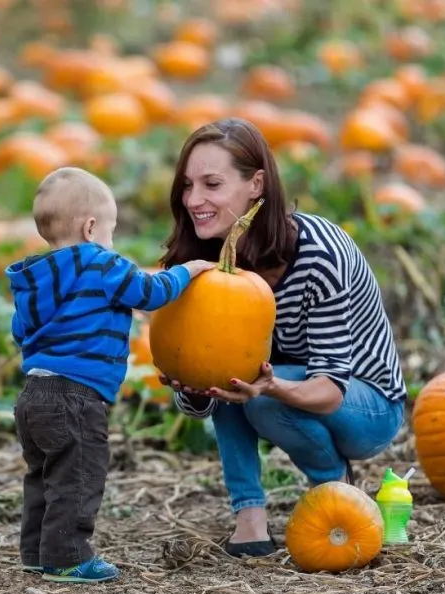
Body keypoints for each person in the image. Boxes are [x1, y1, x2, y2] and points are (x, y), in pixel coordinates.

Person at [157, 118, 407, 558]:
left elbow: (330, 390)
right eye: (187, 185)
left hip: (364, 404)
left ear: (256, 184)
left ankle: (333, 487)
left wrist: (269, 386)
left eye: (212, 184)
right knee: (234, 379)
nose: (194, 200)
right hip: (276, 386)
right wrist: (192, 387)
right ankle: (249, 517)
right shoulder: (202, 260)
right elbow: (200, 396)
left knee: (257, 392)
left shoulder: (320, 254)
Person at [5, 166, 214, 582]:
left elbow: (19, 332)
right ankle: (66, 557)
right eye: (111, 232)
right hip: (77, 395)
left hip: (34, 394)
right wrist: (187, 271)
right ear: (90, 228)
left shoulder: (35, 279)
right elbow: (149, 293)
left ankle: (35, 550)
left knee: (43, 476)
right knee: (79, 474)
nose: (112, 242)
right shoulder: (100, 264)